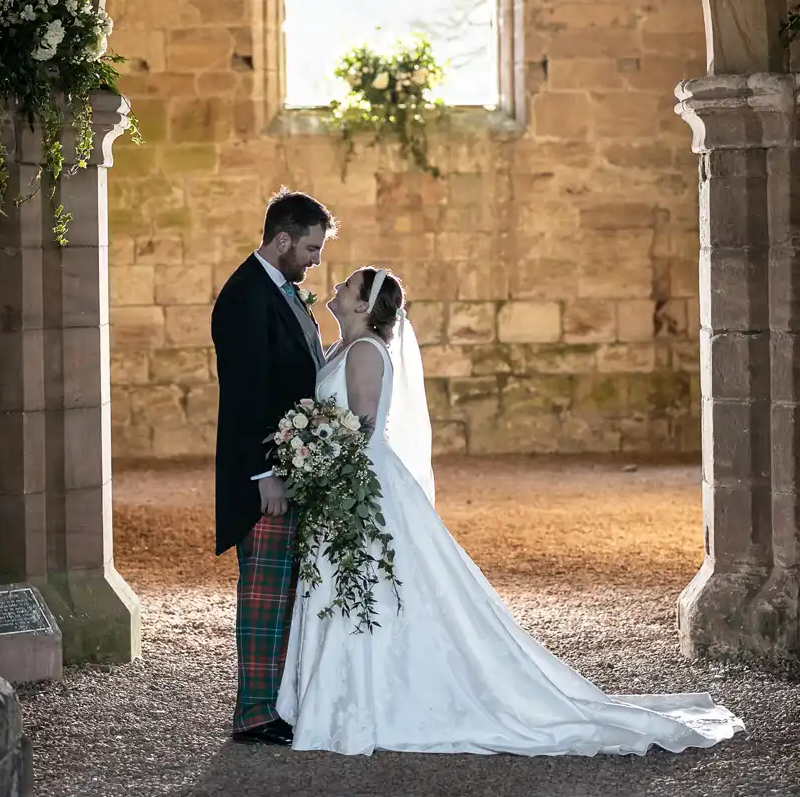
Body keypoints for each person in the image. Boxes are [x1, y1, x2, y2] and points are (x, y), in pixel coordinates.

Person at [276, 267, 744, 756]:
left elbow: (362, 431)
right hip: (343, 488)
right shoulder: (344, 348)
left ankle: (367, 702)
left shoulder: (367, 352)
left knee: (368, 583)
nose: (335, 288)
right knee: (354, 585)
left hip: (360, 489)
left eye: (346, 286)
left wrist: (320, 458)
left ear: (361, 306)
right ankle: (343, 697)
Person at [210, 189, 335, 746]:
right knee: (264, 591)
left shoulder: (279, 289)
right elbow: (245, 397)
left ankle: (275, 702)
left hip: (291, 466)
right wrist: (267, 476)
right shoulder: (244, 297)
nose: (315, 259)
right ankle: (254, 714)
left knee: (285, 588)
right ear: (282, 239)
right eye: (310, 248)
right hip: (266, 479)